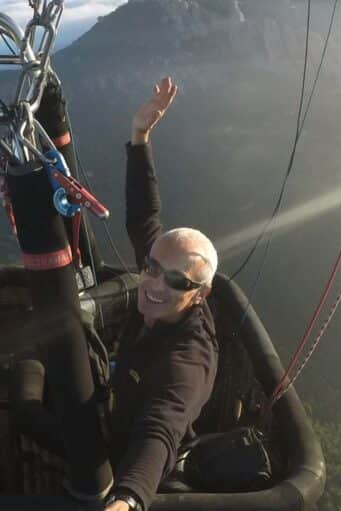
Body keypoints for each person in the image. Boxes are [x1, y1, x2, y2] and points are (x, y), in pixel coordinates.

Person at [103, 77, 220, 511]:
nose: (154, 284)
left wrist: (127, 500)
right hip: (117, 414)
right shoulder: (161, 267)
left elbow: (162, 427)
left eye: (175, 281)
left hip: (135, 464)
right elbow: (144, 215)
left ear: (201, 293)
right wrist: (140, 137)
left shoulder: (188, 358)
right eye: (151, 269)